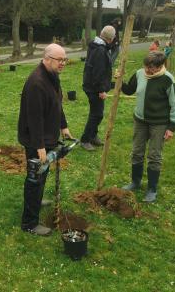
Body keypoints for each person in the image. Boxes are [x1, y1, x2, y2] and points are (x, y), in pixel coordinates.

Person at [18, 43, 73, 236]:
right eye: (60, 60)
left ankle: (37, 200)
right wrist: (39, 146)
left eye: (65, 60)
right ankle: (29, 223)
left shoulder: (52, 77)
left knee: (42, 174)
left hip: (47, 137)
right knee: (35, 177)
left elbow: (57, 103)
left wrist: (63, 126)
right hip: (36, 139)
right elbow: (34, 118)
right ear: (47, 59)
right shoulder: (37, 83)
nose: (63, 63)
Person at [121, 51, 175, 203]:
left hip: (159, 123)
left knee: (154, 155)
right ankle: (135, 182)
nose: (147, 70)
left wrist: (171, 127)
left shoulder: (168, 80)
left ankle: (152, 189)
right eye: (145, 66)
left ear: (160, 66)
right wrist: (119, 80)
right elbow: (128, 90)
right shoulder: (140, 73)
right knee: (137, 152)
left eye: (150, 67)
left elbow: (174, 105)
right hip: (140, 121)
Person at [80, 25, 116, 151]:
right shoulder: (100, 50)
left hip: (91, 84)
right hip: (94, 87)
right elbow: (98, 72)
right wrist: (101, 90)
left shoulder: (95, 44)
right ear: (110, 39)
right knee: (97, 114)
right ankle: (85, 139)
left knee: (96, 113)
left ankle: (93, 136)